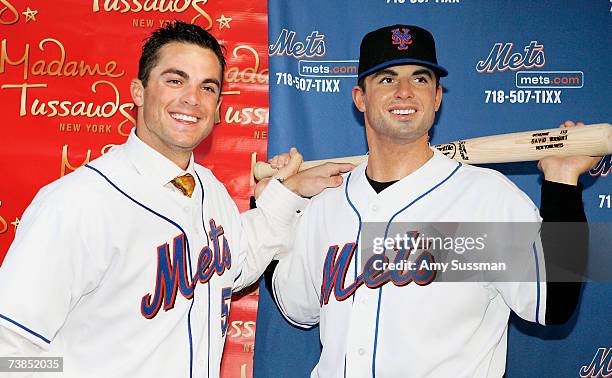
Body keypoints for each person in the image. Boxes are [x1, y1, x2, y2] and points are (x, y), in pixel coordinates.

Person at [0, 21, 350, 378]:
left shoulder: (209, 189)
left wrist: (289, 192)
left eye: (207, 87)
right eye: (175, 80)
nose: (192, 99)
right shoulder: (78, 202)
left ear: (218, 108)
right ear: (139, 91)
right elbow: (8, 350)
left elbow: (236, 263)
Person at [269, 25, 597, 377]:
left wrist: (562, 184)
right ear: (360, 98)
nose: (405, 92)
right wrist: (274, 205)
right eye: (386, 79)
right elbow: (297, 306)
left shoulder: (486, 198)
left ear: (437, 97)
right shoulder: (328, 203)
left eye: (421, 79)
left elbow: (554, 304)